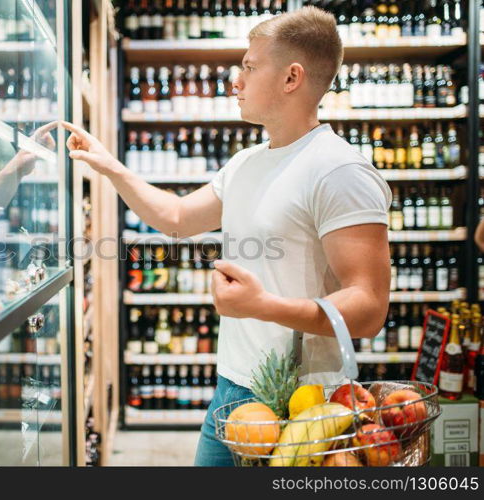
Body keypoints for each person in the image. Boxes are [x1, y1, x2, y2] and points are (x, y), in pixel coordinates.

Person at [61, 6, 391, 467]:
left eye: (250, 67)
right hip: (234, 387)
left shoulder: (339, 171)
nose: (235, 80)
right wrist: (110, 166)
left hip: (305, 403)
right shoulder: (246, 162)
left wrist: (264, 307)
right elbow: (176, 217)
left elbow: (370, 307)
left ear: (291, 78)